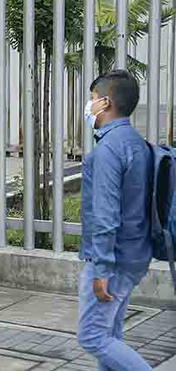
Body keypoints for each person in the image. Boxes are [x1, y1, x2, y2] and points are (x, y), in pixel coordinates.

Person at [78, 70, 153, 371]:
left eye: (93, 99)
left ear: (106, 102)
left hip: (115, 259)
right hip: (135, 252)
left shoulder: (109, 149)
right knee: (111, 335)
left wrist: (101, 269)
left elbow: (106, 216)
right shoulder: (135, 142)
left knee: (93, 337)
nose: (90, 105)